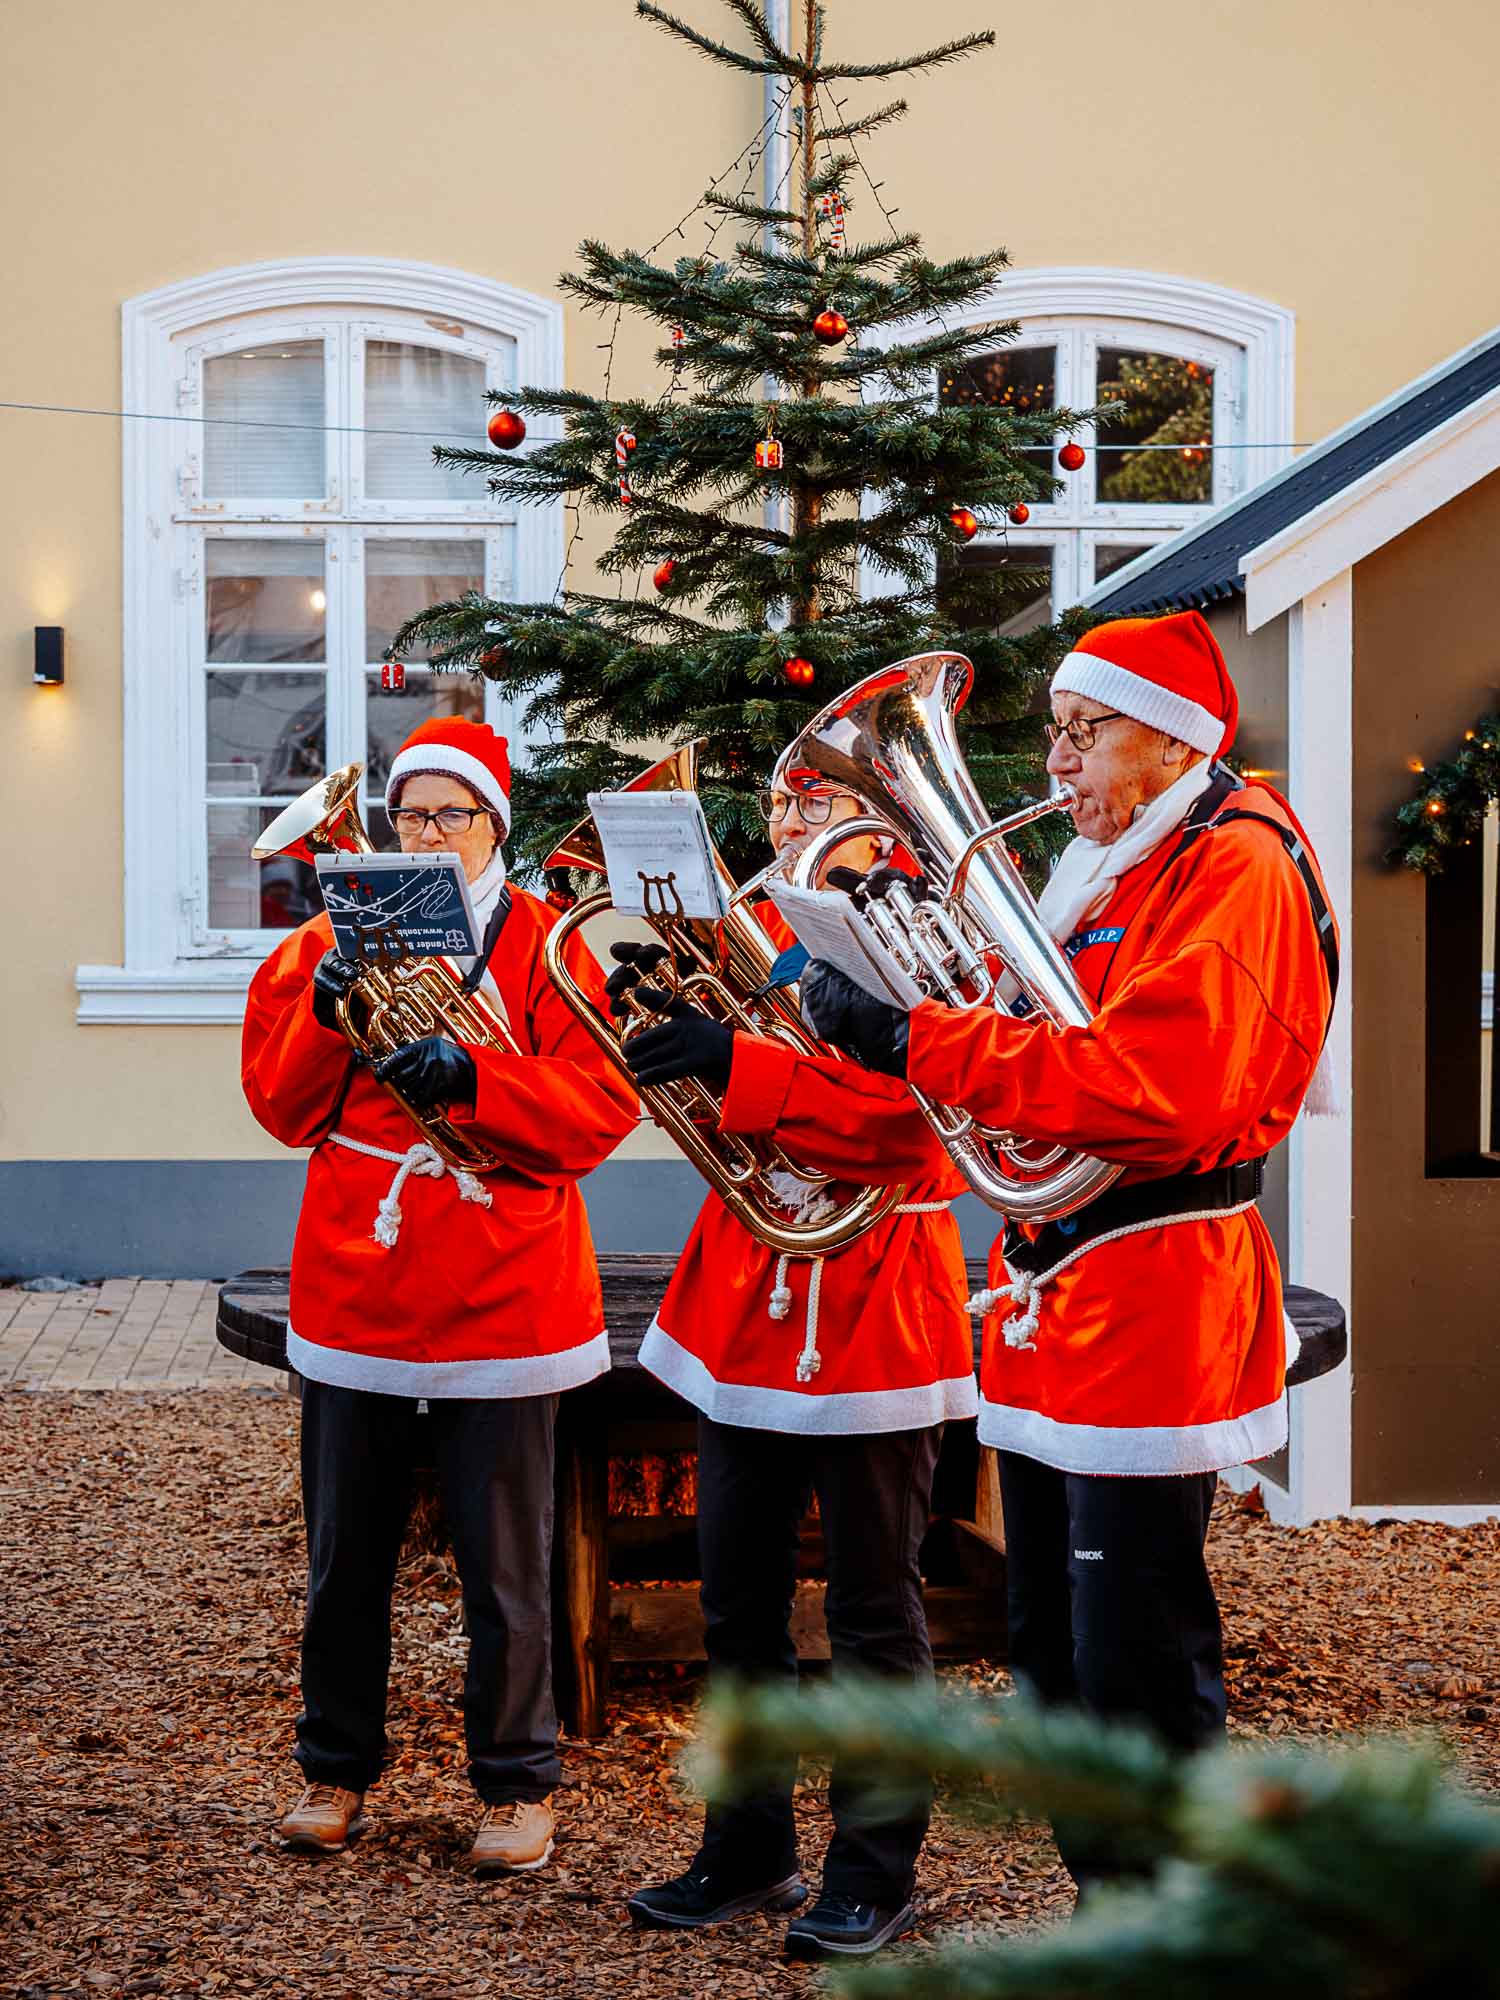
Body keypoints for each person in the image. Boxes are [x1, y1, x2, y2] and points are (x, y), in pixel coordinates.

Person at [798, 612, 1338, 1894]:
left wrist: (918, 1039)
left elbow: (1158, 1089)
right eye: (1054, 731)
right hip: (1062, 1294)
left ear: (1173, 739)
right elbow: (1031, 1043)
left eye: (1085, 732)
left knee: (1134, 1655)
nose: (1057, 762)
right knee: (1049, 1639)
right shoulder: (1120, 866)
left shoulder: (1235, 867)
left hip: (1154, 1294)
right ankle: (1113, 1900)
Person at [241, 717, 637, 1873]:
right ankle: (334, 1765)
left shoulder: (546, 944)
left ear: (492, 828)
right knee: (343, 1553)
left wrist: (481, 1075)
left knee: (506, 1561)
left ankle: (517, 1783)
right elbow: (277, 1105)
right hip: (360, 1276)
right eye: (408, 811)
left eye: (449, 814)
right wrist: (322, 1015)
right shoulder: (329, 937)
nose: (424, 831)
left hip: (504, 1280)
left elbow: (599, 1110)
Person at [616, 778, 978, 1961]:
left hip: (873, 1293)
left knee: (877, 1609)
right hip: (750, 1293)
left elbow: (915, 1128)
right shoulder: (759, 930)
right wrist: (689, 1051)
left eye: (820, 797)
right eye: (783, 801)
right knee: (737, 1602)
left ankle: (877, 1869)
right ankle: (749, 1844)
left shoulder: (929, 930)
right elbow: (746, 1118)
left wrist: (746, 1068)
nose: (791, 821)